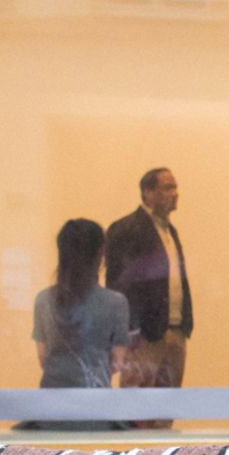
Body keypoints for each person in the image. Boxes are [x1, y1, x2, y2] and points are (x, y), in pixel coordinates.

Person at [21, 219, 129, 431]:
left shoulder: (43, 300)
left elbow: (43, 358)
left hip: (49, 412)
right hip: (98, 413)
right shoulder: (116, 303)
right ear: (100, 254)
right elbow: (117, 362)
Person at [106, 167, 193, 424]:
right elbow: (118, 285)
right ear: (148, 192)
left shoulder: (170, 231)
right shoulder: (126, 229)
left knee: (165, 413)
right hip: (143, 337)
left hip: (175, 332)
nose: (175, 193)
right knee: (137, 412)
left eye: (175, 187)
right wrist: (130, 331)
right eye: (167, 187)